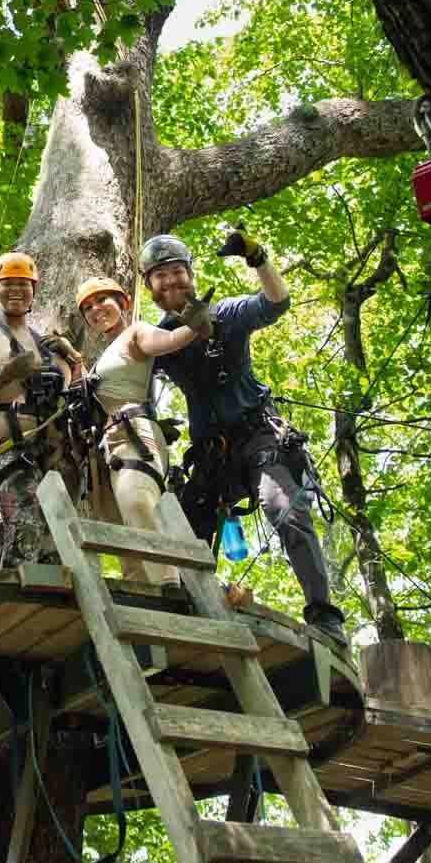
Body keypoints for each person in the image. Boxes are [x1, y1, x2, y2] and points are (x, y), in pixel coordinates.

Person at [139, 231, 348, 645]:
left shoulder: (226, 313)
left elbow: (275, 303)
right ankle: (187, 614)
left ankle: (325, 618)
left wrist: (257, 257)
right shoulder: (159, 338)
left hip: (257, 436)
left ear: (192, 275)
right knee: (181, 530)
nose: (171, 282)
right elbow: (133, 378)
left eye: (178, 272)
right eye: (160, 277)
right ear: (150, 287)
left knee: (283, 506)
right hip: (211, 454)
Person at [75, 276, 213, 585]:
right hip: (107, 446)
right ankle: (142, 593)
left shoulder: (136, 332)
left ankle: (169, 584)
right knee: (124, 532)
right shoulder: (102, 360)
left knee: (137, 502)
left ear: (123, 303)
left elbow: (165, 341)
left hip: (133, 434)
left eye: (102, 301)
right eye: (88, 308)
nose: (96, 310)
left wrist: (193, 327)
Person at [0, 252, 84, 564]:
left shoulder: (48, 344)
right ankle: (15, 595)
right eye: (7, 284)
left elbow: (82, 393)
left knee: (61, 538)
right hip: (7, 445)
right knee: (27, 524)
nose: (15, 290)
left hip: (55, 448)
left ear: (34, 291)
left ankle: (54, 608)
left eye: (23, 284)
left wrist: (75, 360)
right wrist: (7, 372)